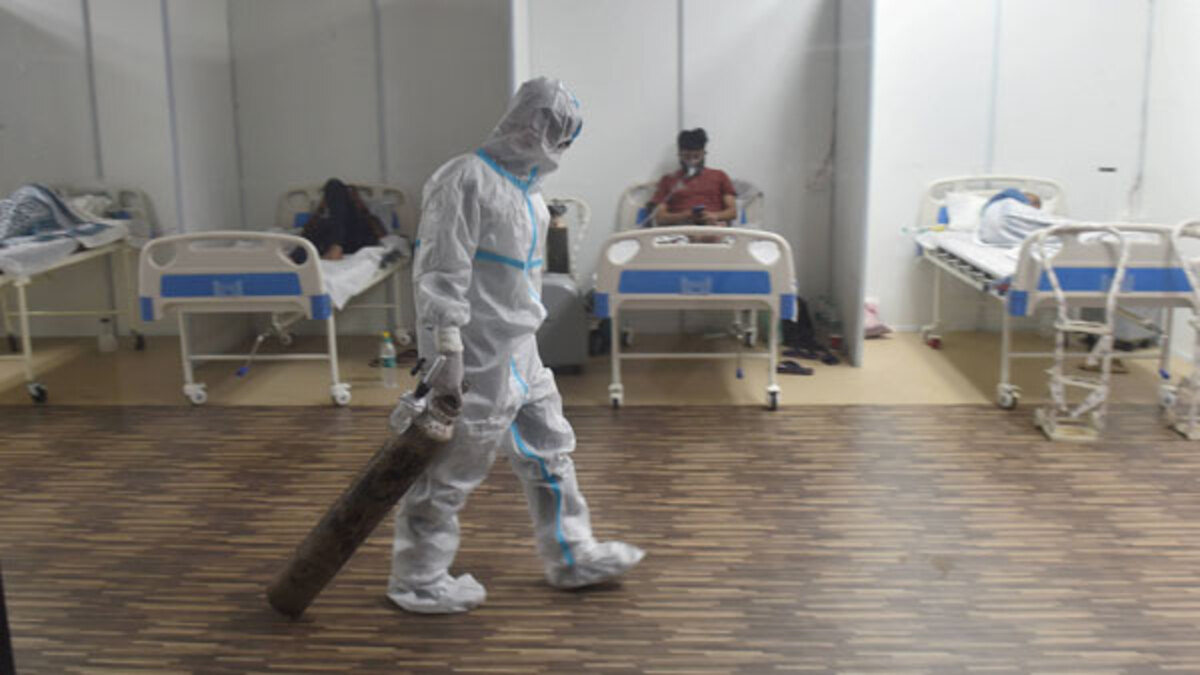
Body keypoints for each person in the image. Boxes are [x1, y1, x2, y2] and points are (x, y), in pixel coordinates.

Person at [386, 77, 645, 614]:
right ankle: (418, 579)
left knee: (550, 451)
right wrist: (448, 351)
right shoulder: (464, 179)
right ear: (535, 127)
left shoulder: (530, 195)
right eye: (560, 135)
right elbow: (439, 271)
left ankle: (571, 555)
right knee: (451, 470)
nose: (562, 147)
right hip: (475, 355)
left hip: (521, 349)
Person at [646, 128, 738, 227]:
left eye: (696, 156)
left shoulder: (719, 176)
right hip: (680, 228)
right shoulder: (668, 180)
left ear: (704, 154)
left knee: (715, 228)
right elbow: (659, 216)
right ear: (680, 155)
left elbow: (733, 212)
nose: (692, 161)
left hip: (712, 227)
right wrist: (685, 216)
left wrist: (715, 216)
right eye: (687, 156)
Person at [976, 188, 1056, 247]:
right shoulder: (1008, 199)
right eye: (1032, 203)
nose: (1031, 208)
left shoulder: (1034, 215)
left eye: (1035, 206)